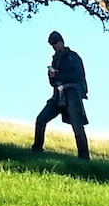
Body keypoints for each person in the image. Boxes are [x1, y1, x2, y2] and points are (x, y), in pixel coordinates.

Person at [33, 30, 90, 159]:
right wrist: (52, 76)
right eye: (52, 45)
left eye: (55, 43)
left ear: (61, 42)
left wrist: (58, 75)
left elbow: (78, 76)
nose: (54, 47)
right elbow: (53, 82)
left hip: (72, 94)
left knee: (77, 126)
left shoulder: (73, 57)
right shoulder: (55, 60)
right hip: (57, 95)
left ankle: (84, 156)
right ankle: (36, 149)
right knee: (41, 119)